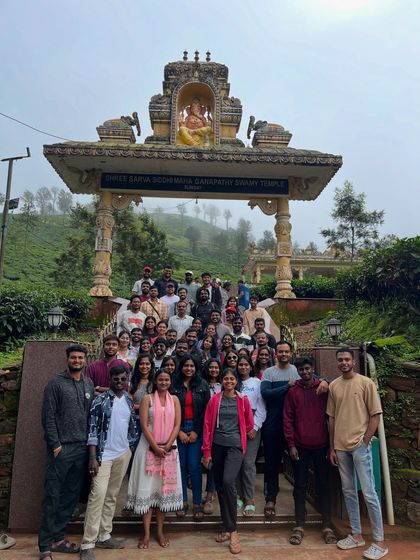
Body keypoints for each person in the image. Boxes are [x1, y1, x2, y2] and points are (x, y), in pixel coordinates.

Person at [327, 348, 388, 559]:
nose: (343, 362)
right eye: (340, 360)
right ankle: (356, 535)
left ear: (353, 361)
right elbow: (331, 418)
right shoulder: (334, 386)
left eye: (347, 359)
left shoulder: (365, 383)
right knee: (349, 492)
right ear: (337, 363)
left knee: (369, 493)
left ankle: (379, 541)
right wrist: (332, 447)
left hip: (359, 446)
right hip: (341, 447)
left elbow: (375, 415)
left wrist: (365, 441)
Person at [39, 344, 94, 560]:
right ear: (67, 359)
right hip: (61, 449)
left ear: (85, 360)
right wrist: (55, 444)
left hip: (81, 448)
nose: (77, 361)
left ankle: (59, 539)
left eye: (80, 357)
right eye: (73, 357)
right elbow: (48, 417)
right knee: (52, 496)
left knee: (70, 498)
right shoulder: (55, 384)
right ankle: (44, 547)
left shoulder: (88, 383)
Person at [80, 366, 138, 559]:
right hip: (103, 457)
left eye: (123, 379)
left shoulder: (129, 401)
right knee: (97, 496)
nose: (120, 382)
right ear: (110, 379)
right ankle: (88, 543)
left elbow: (132, 426)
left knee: (112, 496)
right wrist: (92, 457)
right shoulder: (100, 401)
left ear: (127, 379)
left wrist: (129, 447)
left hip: (122, 454)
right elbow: (92, 431)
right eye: (116, 379)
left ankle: (105, 535)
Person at [126, 369, 183, 549]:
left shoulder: (175, 400)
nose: (164, 382)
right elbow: (143, 425)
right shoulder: (147, 399)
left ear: (170, 382)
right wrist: (155, 446)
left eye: (167, 379)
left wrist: (166, 445)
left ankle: (159, 531)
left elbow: (177, 425)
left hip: (169, 450)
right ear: (155, 381)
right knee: (148, 490)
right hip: (148, 448)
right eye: (161, 379)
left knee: (161, 491)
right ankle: (146, 533)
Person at [283, 357, 336, 546]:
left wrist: (331, 446)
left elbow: (331, 414)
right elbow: (287, 419)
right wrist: (291, 444)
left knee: (324, 485)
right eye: (301, 369)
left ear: (313, 368)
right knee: (300, 486)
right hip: (301, 446)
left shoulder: (323, 389)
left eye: (307, 368)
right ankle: (299, 525)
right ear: (297, 371)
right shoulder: (293, 392)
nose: (304, 372)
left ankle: (327, 524)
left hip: (322, 445)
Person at [260, 341, 316, 519]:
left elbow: (316, 379)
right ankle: (270, 499)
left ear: (291, 353)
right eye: (280, 351)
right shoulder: (269, 372)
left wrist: (324, 382)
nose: (283, 354)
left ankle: (299, 502)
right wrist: (287, 386)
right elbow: (266, 394)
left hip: (295, 424)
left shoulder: (298, 370)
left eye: (286, 351)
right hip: (274, 424)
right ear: (275, 353)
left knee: (298, 465)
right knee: (271, 463)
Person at [202, 368, 254, 554]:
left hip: (235, 447)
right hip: (217, 447)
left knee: (227, 482)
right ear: (221, 381)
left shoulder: (242, 400)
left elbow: (249, 423)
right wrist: (206, 451)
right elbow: (207, 425)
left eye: (232, 378)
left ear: (236, 381)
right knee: (221, 489)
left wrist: (241, 434)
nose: (229, 381)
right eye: (226, 379)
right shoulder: (215, 400)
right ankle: (227, 527)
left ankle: (233, 532)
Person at [171, 354, 210, 521]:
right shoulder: (174, 384)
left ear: (196, 368)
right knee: (180, 467)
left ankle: (196, 502)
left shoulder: (202, 385)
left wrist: (196, 431)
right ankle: (182, 500)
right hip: (177, 429)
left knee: (194, 466)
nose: (189, 368)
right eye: (186, 365)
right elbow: (169, 410)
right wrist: (178, 430)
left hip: (196, 428)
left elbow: (207, 411)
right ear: (181, 367)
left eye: (192, 366)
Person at [236, 355, 266, 517]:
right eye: (240, 364)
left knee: (248, 463)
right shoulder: (232, 381)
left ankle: (249, 498)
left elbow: (261, 407)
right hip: (234, 426)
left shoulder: (256, 383)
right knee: (235, 462)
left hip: (252, 425)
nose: (243, 367)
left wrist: (255, 427)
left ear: (250, 366)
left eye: (246, 364)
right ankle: (238, 495)